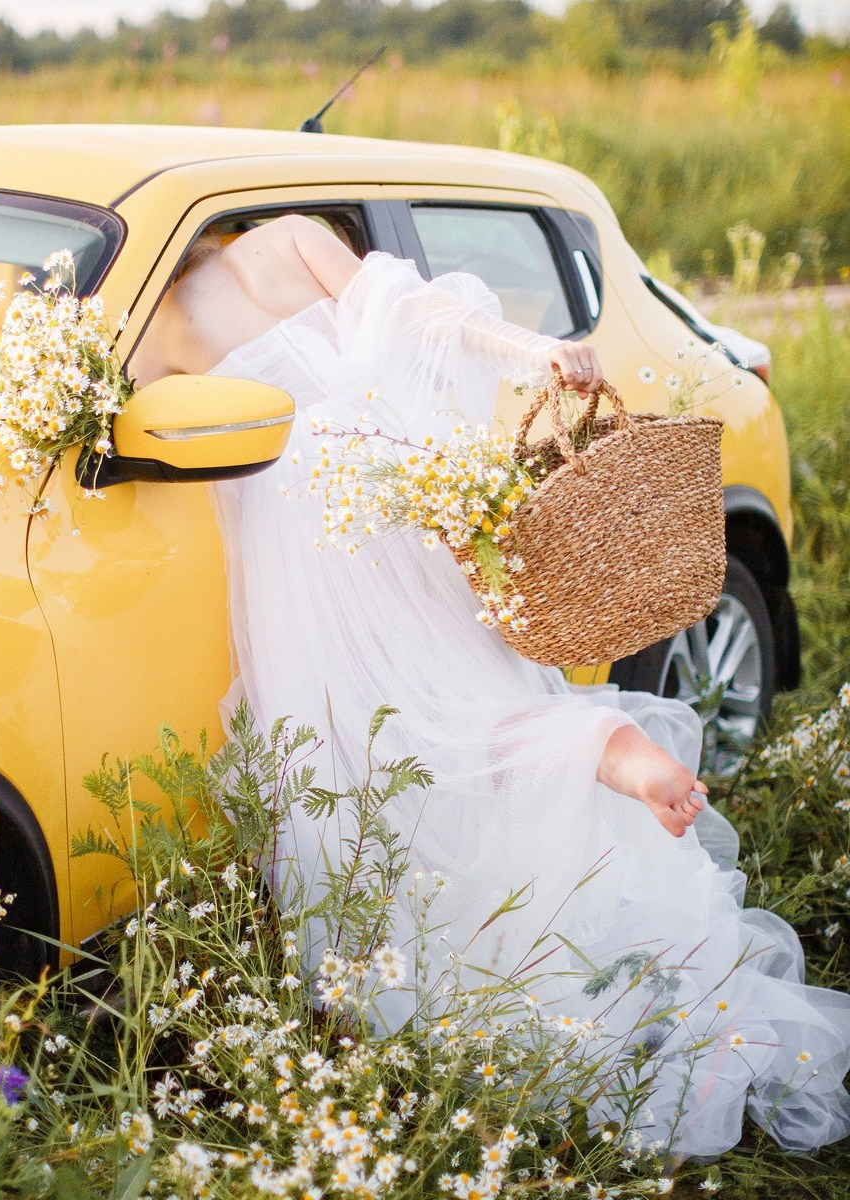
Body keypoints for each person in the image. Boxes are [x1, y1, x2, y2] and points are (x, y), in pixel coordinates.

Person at [130, 214, 850, 1159]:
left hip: (301, 539)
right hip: (377, 492)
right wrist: (530, 347)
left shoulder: (149, 320)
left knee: (365, 747)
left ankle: (400, 969)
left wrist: (531, 349)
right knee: (449, 702)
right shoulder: (280, 242)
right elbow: (404, 308)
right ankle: (595, 748)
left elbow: (385, 313)